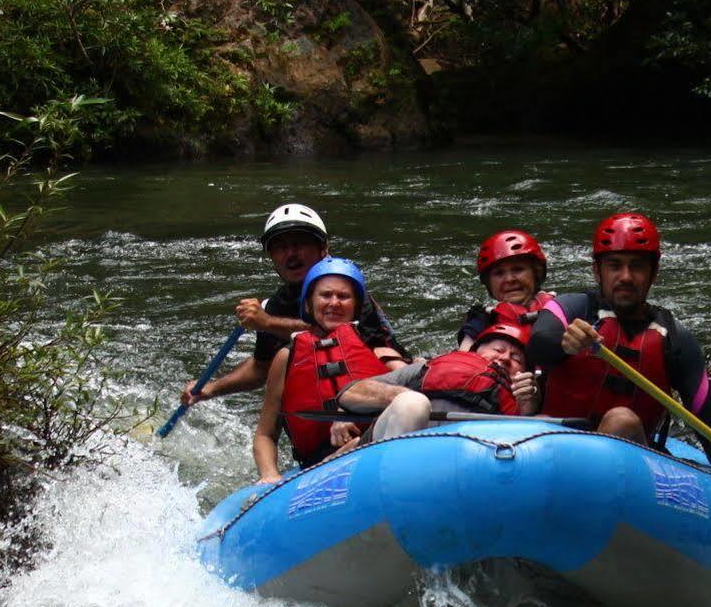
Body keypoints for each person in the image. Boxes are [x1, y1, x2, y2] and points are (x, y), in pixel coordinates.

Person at [526, 213, 711, 512]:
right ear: (597, 271)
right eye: (614, 265)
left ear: (654, 273)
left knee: (621, 420)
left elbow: (709, 421)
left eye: (636, 266)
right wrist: (564, 344)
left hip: (632, 471)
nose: (625, 276)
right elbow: (537, 345)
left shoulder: (675, 339)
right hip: (555, 454)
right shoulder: (570, 308)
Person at [182, 203, 407, 409]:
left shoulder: (347, 289)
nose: (290, 254)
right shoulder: (274, 306)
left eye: (299, 244)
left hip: (382, 385)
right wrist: (212, 388)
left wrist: (268, 323)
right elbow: (261, 368)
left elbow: (339, 334)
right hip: (328, 401)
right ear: (272, 256)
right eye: (280, 247)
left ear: (323, 248)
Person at [249, 257, 393, 483]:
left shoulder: (377, 349)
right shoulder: (286, 358)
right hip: (315, 466)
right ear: (308, 304)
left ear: (356, 306)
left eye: (343, 297)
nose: (334, 303)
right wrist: (269, 475)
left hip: (375, 448)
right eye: (325, 295)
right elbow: (265, 434)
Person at [334, 321, 540, 440]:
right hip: (398, 442)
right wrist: (401, 394)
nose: (505, 358)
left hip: (468, 460)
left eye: (516, 358)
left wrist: (528, 405)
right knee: (412, 404)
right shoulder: (432, 367)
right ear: (475, 351)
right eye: (498, 350)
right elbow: (348, 393)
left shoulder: (525, 396)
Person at [456, 230, 554, 350]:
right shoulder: (481, 321)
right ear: (489, 283)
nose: (509, 279)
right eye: (499, 273)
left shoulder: (561, 309)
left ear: (536, 273)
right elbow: (463, 359)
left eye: (518, 269)